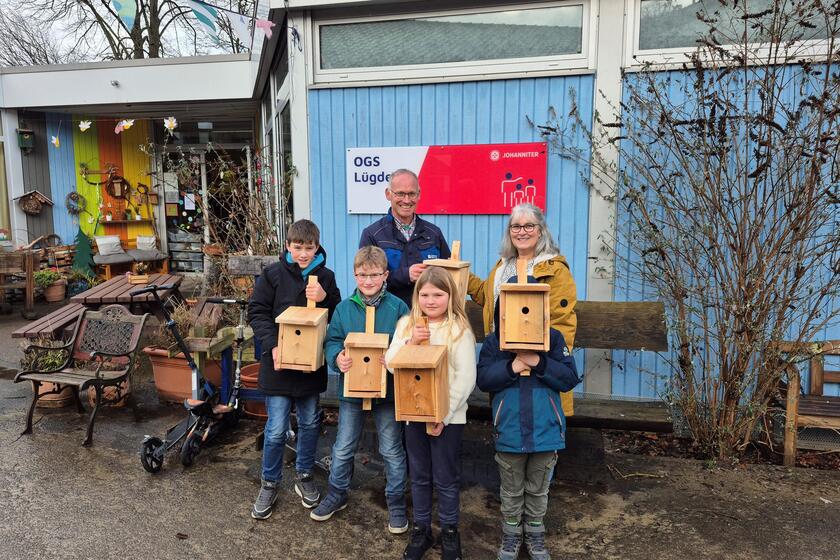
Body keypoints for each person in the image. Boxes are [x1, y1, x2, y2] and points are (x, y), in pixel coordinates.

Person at [312, 246, 411, 533]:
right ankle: (337, 492)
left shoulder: (398, 308)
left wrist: (393, 358)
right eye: (362, 275)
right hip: (352, 392)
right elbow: (332, 340)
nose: (368, 281)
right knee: (343, 446)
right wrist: (337, 357)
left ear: (385, 275)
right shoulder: (344, 308)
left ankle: (394, 501)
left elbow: (407, 343)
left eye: (374, 275)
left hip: (388, 393)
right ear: (355, 274)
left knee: (392, 449)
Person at [248, 219, 341, 520]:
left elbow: (339, 316)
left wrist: (326, 300)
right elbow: (257, 311)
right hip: (277, 365)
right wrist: (273, 344)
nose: (303, 254)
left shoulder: (325, 277)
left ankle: (304, 476)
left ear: (317, 247)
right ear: (288, 246)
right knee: (276, 429)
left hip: (310, 368)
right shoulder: (273, 275)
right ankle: (269, 481)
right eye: (298, 247)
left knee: (310, 423)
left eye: (309, 248)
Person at [385, 267, 477, 560]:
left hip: (448, 419)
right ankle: (421, 529)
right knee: (420, 475)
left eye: (438, 294)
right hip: (414, 413)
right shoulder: (405, 325)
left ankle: (449, 532)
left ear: (450, 296)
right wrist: (411, 341)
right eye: (424, 294)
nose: (431, 300)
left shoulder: (458, 329)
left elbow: (465, 377)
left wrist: (443, 415)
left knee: (446, 477)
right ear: (416, 296)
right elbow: (390, 363)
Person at [477, 306, 581, 560]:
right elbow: (484, 380)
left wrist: (537, 361)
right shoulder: (494, 343)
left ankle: (535, 532)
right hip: (510, 430)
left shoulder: (553, 339)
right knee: (511, 489)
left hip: (545, 431)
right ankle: (511, 534)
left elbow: (568, 377)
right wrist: (512, 366)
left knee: (538, 488)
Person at [466, 203, 578, 416]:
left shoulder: (554, 269)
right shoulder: (503, 265)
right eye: (515, 226)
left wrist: (542, 361)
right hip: (503, 360)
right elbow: (487, 296)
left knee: (540, 419)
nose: (522, 232)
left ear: (540, 230)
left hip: (537, 363)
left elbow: (562, 322)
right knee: (509, 420)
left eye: (529, 226)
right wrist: (461, 275)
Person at [359, 169, 451, 307]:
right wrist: (406, 275)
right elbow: (367, 279)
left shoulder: (434, 233)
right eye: (400, 194)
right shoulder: (372, 234)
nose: (406, 200)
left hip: (428, 315)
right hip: (388, 315)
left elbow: (448, 275)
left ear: (419, 195)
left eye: (411, 194)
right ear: (388, 194)